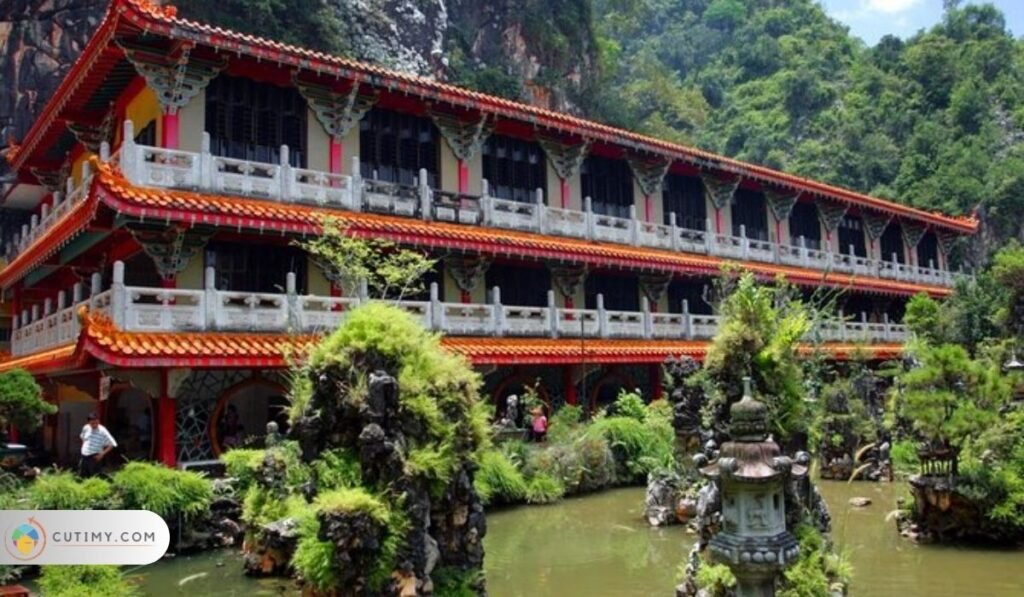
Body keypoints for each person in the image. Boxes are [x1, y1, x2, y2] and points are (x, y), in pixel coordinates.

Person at [79, 413, 117, 478]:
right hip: (84, 457)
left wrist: (102, 454)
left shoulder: (102, 431)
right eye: (92, 423)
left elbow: (113, 444)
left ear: (98, 421)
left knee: (95, 477)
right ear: (88, 422)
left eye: (96, 423)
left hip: (94, 457)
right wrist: (83, 448)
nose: (94, 425)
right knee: (83, 476)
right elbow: (83, 438)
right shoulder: (86, 427)